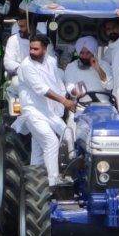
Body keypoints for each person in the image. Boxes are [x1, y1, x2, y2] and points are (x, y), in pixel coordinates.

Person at [13, 34, 75, 187]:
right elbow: (41, 89)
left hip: (48, 111)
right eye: (30, 48)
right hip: (33, 111)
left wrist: (67, 98)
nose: (32, 52)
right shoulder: (26, 66)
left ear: (45, 49)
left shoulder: (51, 61)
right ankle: (54, 182)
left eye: (36, 49)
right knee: (51, 142)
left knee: (67, 134)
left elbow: (56, 82)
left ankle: (36, 182)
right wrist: (63, 100)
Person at [3, 12, 56, 76]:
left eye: (24, 24)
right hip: (20, 75)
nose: (20, 22)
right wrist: (25, 69)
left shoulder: (44, 40)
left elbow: (52, 60)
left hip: (41, 75)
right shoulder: (13, 39)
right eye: (19, 22)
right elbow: (8, 62)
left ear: (32, 23)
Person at [63, 36, 112, 100]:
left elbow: (109, 86)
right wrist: (75, 91)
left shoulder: (104, 64)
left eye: (88, 53)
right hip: (81, 105)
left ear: (93, 52)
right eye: (81, 53)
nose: (84, 56)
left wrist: (98, 68)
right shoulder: (71, 67)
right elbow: (69, 86)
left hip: (103, 104)